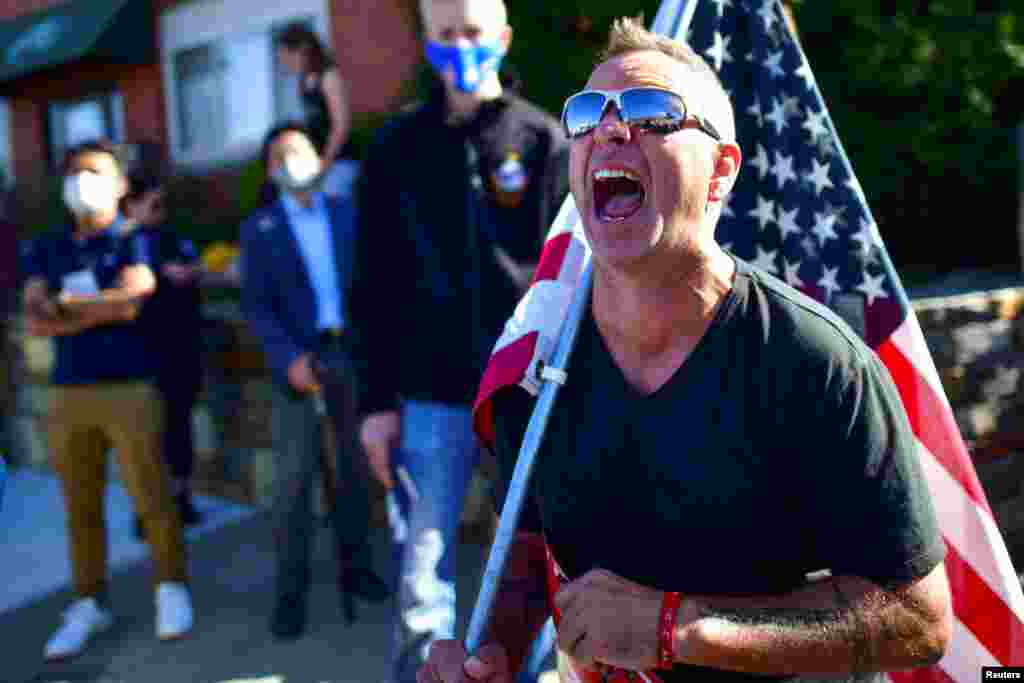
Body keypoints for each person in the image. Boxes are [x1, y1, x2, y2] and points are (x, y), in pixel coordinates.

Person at [419, 17, 953, 683]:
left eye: (651, 110)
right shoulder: (541, 355)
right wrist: (492, 650)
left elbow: (917, 617)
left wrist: (677, 626)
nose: (612, 129)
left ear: (721, 172)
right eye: (587, 114)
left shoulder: (814, 363)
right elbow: (527, 544)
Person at [351, 0, 569, 680]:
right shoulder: (394, 151)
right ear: (426, 43)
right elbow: (370, 284)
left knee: (533, 562)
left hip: (525, 391)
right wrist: (374, 402)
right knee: (423, 568)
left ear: (503, 38)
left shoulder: (544, 141)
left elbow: (572, 276)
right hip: (428, 392)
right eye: (445, 35)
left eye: (473, 33)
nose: (461, 47)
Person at [22, 140, 193, 661]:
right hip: (69, 392)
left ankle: (170, 586)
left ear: (120, 185)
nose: (82, 182)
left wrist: (68, 308)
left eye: (95, 172)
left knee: (150, 493)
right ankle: (89, 601)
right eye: (73, 173)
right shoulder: (48, 246)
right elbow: (33, 318)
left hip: (130, 387)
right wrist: (103, 305)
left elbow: (136, 299)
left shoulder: (135, 239)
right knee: (80, 506)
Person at [240, 123, 390, 640]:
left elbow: (374, 285)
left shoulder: (348, 214)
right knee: (295, 484)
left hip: (348, 355)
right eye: (281, 156)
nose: (294, 161)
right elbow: (257, 308)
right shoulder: (258, 230)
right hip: (299, 366)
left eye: (301, 150)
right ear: (271, 171)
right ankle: (290, 596)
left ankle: (360, 570)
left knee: (354, 472)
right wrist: (288, 360)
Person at [121, 172, 205, 532]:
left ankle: (182, 497)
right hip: (139, 351)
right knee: (145, 432)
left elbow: (196, 269)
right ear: (132, 205)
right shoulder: (120, 244)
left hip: (180, 346)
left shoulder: (174, 236)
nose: (160, 212)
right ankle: (148, 508)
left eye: (162, 204)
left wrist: (190, 273)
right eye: (153, 204)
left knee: (179, 427)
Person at [276, 22, 359, 199]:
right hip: (321, 167)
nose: (286, 64)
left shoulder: (328, 76)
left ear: (304, 49)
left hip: (340, 164)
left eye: (288, 57)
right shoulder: (303, 83)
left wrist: (324, 166)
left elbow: (341, 126)